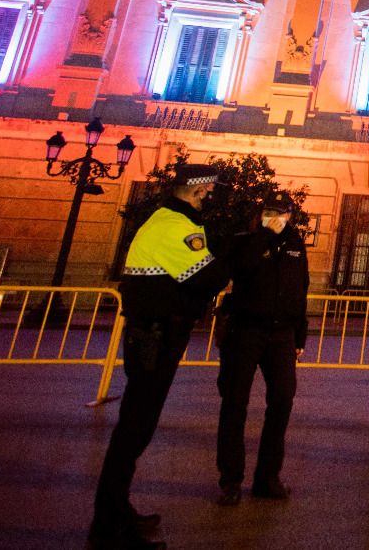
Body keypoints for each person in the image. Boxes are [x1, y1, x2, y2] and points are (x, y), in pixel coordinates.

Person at [90, 163, 234, 550]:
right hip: (155, 335)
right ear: (192, 188)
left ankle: (118, 511)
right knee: (134, 428)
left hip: (157, 332)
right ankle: (108, 526)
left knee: (137, 427)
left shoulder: (172, 220)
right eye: (207, 188)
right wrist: (238, 252)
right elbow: (208, 276)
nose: (210, 194)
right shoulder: (173, 225)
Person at [214, 191, 309, 505]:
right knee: (235, 403)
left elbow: (301, 290)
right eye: (270, 212)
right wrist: (263, 235)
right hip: (246, 330)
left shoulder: (295, 245)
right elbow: (240, 268)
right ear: (260, 214)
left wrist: (300, 337)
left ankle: (268, 477)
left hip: (282, 334)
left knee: (282, 401)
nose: (277, 218)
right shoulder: (245, 240)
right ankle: (231, 480)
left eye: (282, 213)